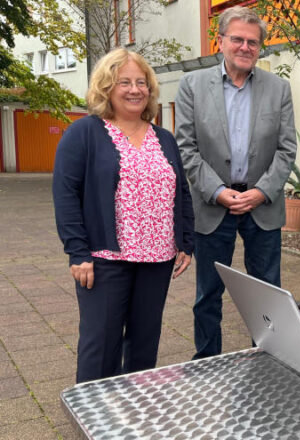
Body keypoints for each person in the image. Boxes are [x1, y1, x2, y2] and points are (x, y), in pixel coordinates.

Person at [53, 48, 194, 383]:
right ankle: (94, 417)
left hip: (158, 258)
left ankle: (134, 415)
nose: (135, 90)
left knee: (145, 346)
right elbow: (65, 195)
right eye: (124, 82)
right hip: (104, 259)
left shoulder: (164, 138)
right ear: (106, 88)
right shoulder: (84, 133)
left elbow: (181, 192)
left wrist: (186, 241)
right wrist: (77, 251)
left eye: (141, 83)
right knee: (101, 345)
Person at [175, 6, 296, 359]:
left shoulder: (279, 89)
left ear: (260, 47)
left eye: (253, 42)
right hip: (214, 205)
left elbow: (287, 150)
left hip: (262, 205)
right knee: (208, 294)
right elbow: (186, 147)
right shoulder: (192, 86)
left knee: (268, 294)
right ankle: (208, 362)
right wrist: (216, 191)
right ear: (221, 41)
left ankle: (269, 360)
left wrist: (260, 192)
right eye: (238, 39)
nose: (245, 47)